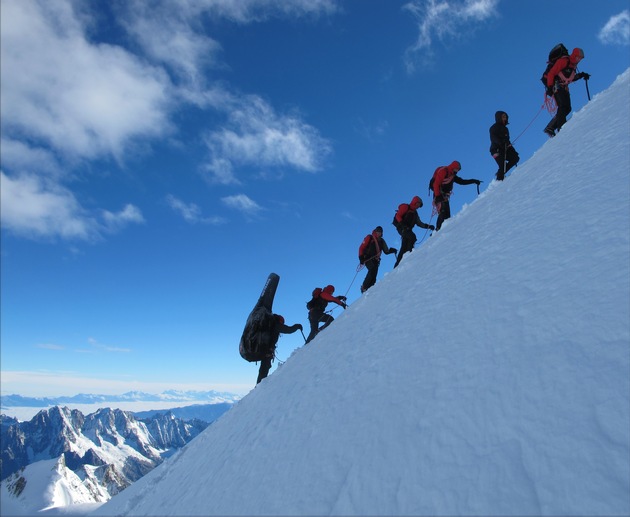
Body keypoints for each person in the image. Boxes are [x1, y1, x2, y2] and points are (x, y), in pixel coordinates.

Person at [544, 48, 590, 138]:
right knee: (563, 106)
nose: (579, 59)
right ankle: (561, 127)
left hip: (563, 88)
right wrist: (549, 87)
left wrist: (581, 75)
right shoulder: (563, 61)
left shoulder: (573, 66)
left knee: (568, 108)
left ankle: (551, 127)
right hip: (556, 86)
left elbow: (569, 79)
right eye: (578, 57)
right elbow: (551, 73)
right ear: (574, 55)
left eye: (581, 58)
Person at [431, 161, 481, 231]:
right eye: (457, 169)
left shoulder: (452, 176)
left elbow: (462, 181)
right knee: (443, 211)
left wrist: (473, 181)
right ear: (453, 167)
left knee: (447, 215)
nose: (457, 171)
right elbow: (436, 184)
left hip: (444, 196)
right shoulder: (443, 171)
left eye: (458, 170)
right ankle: (438, 230)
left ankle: (444, 230)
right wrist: (438, 196)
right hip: (439, 194)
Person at [257, 314, 302, 384]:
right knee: (265, 367)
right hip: (266, 350)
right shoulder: (275, 324)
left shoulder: (268, 324)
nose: (282, 324)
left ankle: (260, 385)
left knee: (264, 367)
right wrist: (296, 326)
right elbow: (288, 330)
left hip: (262, 348)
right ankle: (260, 385)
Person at [393, 196, 434, 268]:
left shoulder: (415, 214)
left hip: (407, 229)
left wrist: (428, 226)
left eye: (420, 205)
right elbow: (398, 216)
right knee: (412, 237)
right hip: (401, 228)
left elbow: (419, 223)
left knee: (404, 244)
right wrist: (403, 225)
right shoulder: (406, 207)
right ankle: (409, 254)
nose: (418, 206)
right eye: (418, 204)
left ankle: (398, 264)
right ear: (415, 202)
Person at [358, 226, 397, 293]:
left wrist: (392, 250)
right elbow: (361, 248)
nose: (379, 233)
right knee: (372, 270)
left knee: (374, 275)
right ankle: (364, 287)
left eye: (380, 232)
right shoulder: (369, 237)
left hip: (376, 260)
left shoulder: (382, 241)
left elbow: (386, 251)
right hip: (367, 258)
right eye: (378, 231)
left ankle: (370, 290)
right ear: (375, 231)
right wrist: (361, 258)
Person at [489, 111, 520, 181]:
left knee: (515, 158)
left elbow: (507, 141)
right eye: (503, 117)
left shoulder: (506, 129)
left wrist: (512, 150)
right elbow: (493, 138)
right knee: (502, 165)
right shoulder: (493, 128)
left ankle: (500, 174)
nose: (504, 118)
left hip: (505, 148)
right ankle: (498, 181)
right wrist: (501, 143)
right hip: (495, 150)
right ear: (498, 118)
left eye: (505, 117)